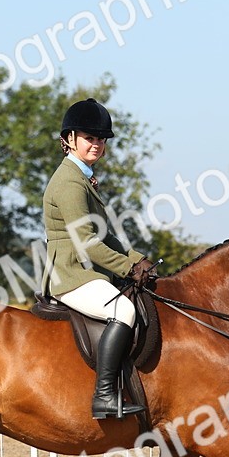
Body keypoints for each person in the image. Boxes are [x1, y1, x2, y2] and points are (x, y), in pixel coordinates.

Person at [43, 98, 156, 419]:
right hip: (71, 275)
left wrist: (139, 260)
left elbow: (107, 237)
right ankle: (105, 395)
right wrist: (127, 268)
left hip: (86, 272)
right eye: (90, 138)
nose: (97, 144)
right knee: (123, 309)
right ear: (69, 140)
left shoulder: (82, 178)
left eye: (101, 139)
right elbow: (89, 244)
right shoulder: (68, 182)